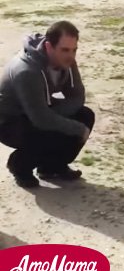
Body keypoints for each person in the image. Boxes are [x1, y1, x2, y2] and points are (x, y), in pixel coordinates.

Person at [0, 21, 94, 188]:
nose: (71, 55)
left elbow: (78, 96)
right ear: (49, 47)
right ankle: (19, 166)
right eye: (65, 50)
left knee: (85, 115)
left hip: (37, 111)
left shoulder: (67, 61)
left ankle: (51, 167)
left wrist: (57, 117)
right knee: (48, 129)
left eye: (74, 50)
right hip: (9, 122)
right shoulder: (27, 71)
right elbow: (40, 119)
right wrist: (77, 129)